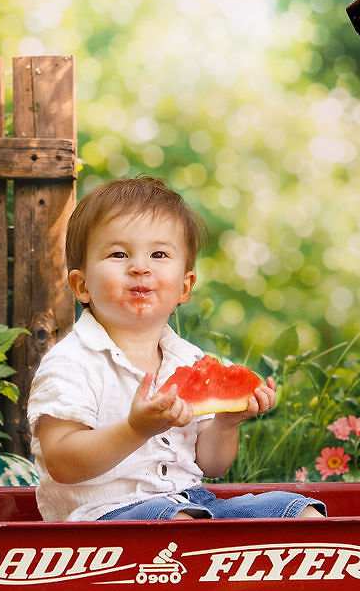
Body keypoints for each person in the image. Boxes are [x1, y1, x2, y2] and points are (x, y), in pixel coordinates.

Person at [27, 176, 327, 523]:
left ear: (184, 287)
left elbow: (211, 465)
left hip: (192, 502)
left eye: (159, 254)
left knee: (300, 513)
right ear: (82, 286)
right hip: (103, 519)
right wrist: (135, 429)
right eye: (119, 254)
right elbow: (63, 463)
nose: (140, 266)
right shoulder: (71, 363)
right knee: (181, 525)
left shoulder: (190, 360)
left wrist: (226, 424)